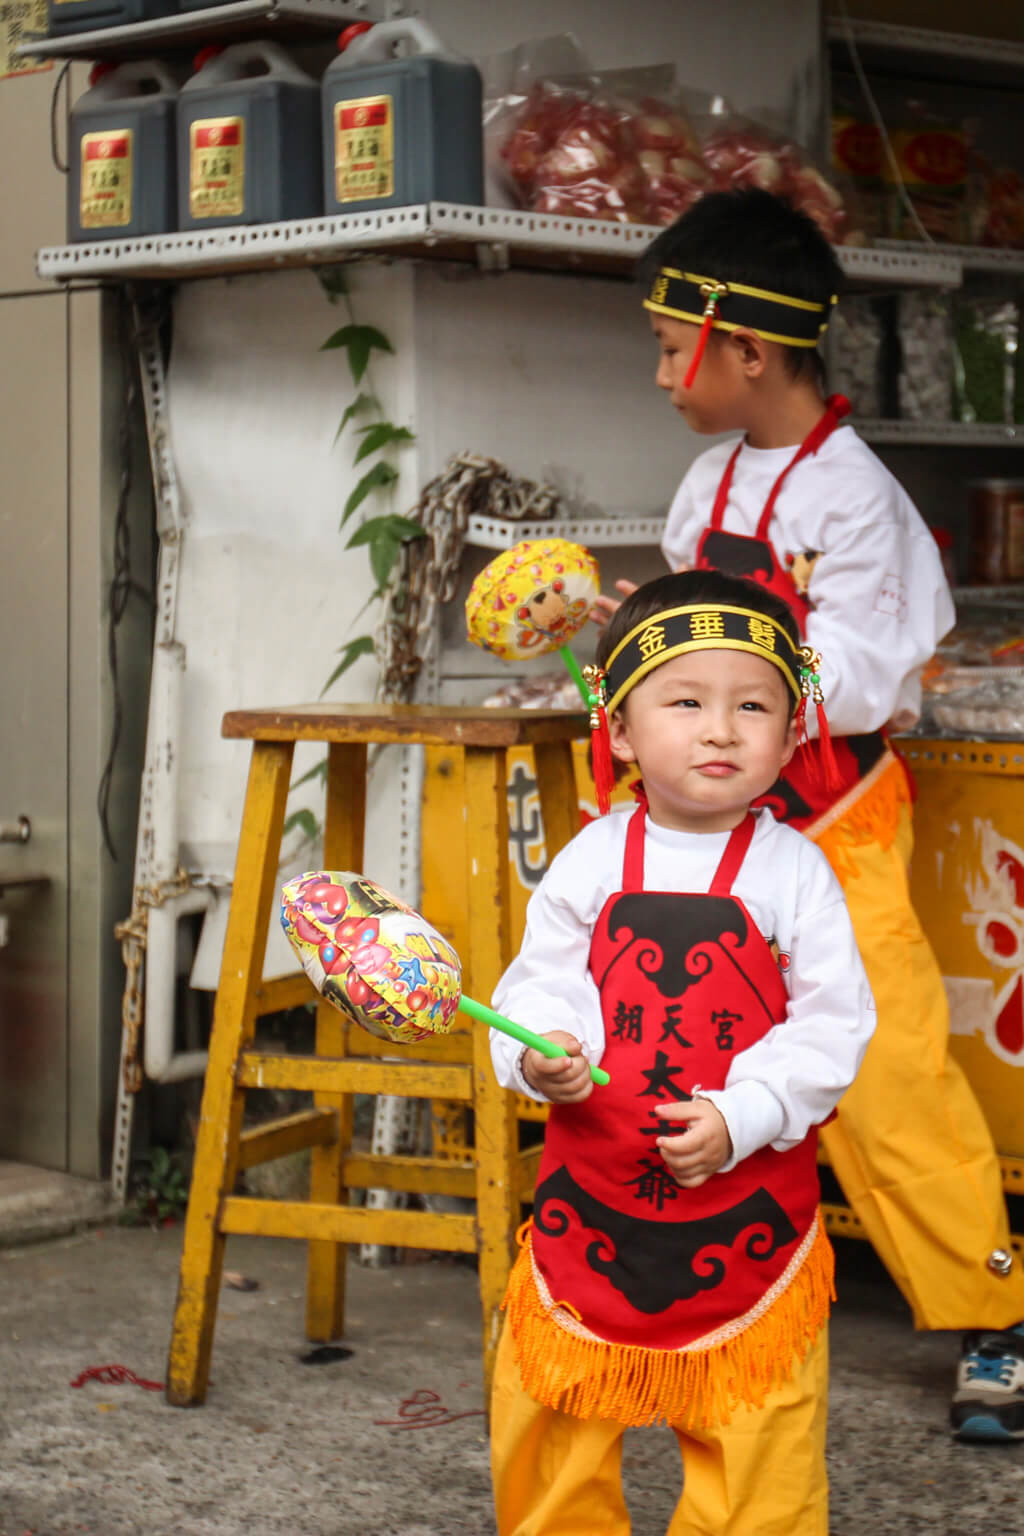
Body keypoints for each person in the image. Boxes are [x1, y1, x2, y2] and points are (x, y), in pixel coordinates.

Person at [593, 186, 1024, 1443]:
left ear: (746, 347)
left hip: (832, 833)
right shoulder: (706, 478)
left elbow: (868, 672)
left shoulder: (855, 501)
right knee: (688, 1053)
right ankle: (696, 1281)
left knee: (884, 1073)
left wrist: (724, 677)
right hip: (702, 838)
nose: (661, 372)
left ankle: (994, 1314)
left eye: (673, 347)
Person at [489, 568, 876, 1536]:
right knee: (551, 1422)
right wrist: (546, 1052)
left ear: (792, 735)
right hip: (592, 1207)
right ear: (619, 729)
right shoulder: (589, 858)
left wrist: (743, 1114)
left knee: (758, 1449)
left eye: (753, 706)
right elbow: (536, 985)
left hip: (745, 1215)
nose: (719, 730)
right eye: (685, 702)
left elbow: (833, 1027)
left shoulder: (797, 872)